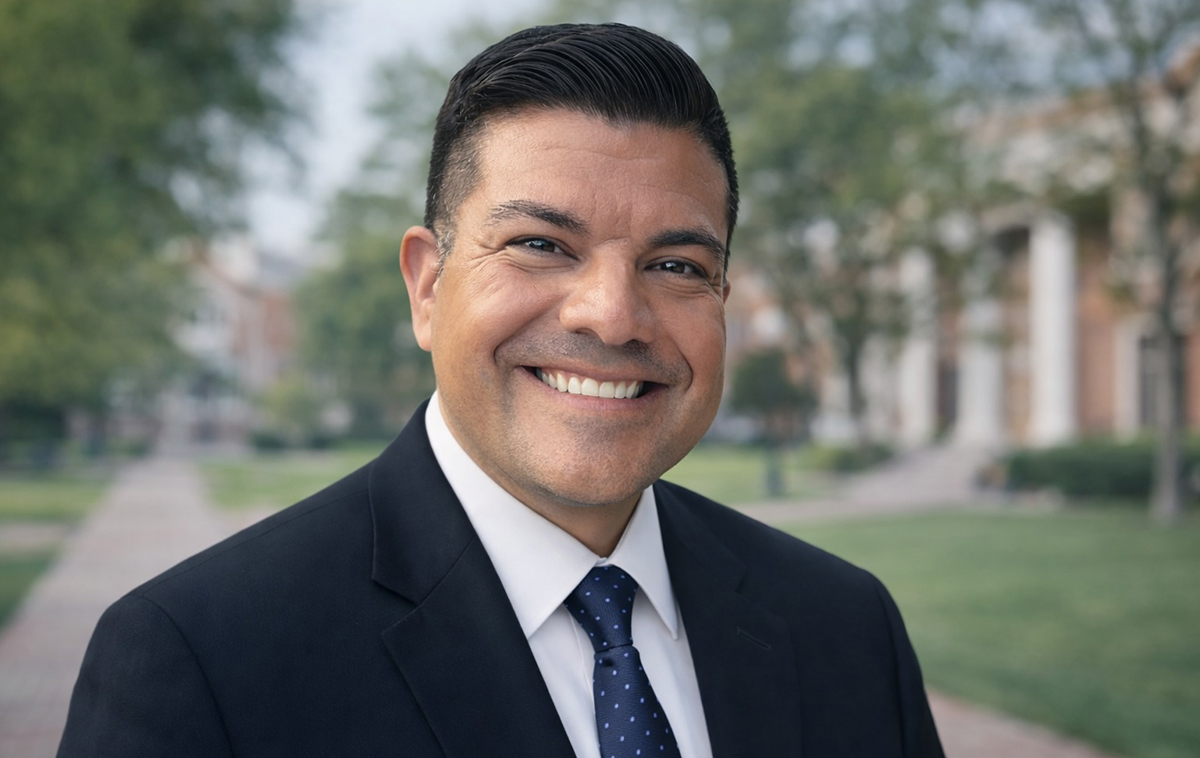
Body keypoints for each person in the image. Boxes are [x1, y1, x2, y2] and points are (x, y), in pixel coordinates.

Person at [58, 23, 944, 758]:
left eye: (675, 264)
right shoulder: (202, 661)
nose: (612, 315)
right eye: (540, 245)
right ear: (428, 286)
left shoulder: (845, 628)